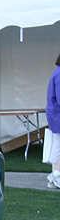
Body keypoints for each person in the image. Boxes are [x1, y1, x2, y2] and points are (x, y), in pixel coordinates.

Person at [48, 52, 60, 190]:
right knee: (58, 145)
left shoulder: (57, 72)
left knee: (57, 144)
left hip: (55, 114)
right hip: (57, 115)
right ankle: (56, 174)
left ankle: (55, 175)